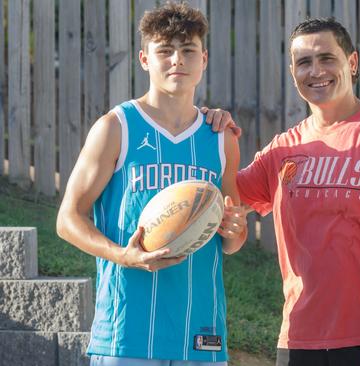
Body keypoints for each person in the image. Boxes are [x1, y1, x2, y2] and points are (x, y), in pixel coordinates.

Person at [207, 17, 360, 366]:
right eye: (304, 62)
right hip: (298, 337)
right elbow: (222, 198)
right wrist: (209, 131)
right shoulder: (283, 150)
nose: (316, 71)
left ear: (352, 63)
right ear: (293, 71)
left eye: (327, 58)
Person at [56, 3, 246, 365]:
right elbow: (67, 220)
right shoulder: (116, 127)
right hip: (127, 334)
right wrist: (123, 255)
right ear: (145, 59)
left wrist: (235, 231)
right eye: (165, 50)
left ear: (203, 59)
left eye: (188, 50)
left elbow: (232, 241)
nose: (177, 59)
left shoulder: (221, 138)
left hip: (201, 333)